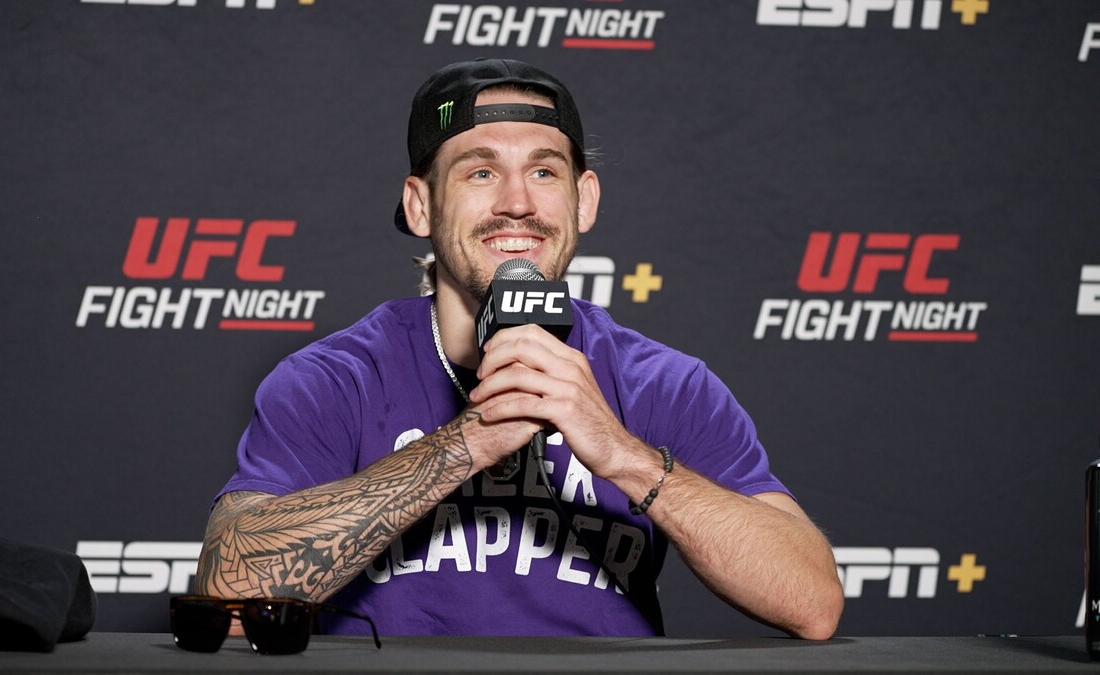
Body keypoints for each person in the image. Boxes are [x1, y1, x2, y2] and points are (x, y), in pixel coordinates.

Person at [195, 58, 843, 639]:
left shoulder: (664, 384)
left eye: (544, 170)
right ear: (420, 206)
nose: (517, 203)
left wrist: (625, 456)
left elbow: (813, 604)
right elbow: (228, 593)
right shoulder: (336, 379)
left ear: (584, 200)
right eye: (481, 171)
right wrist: (467, 442)